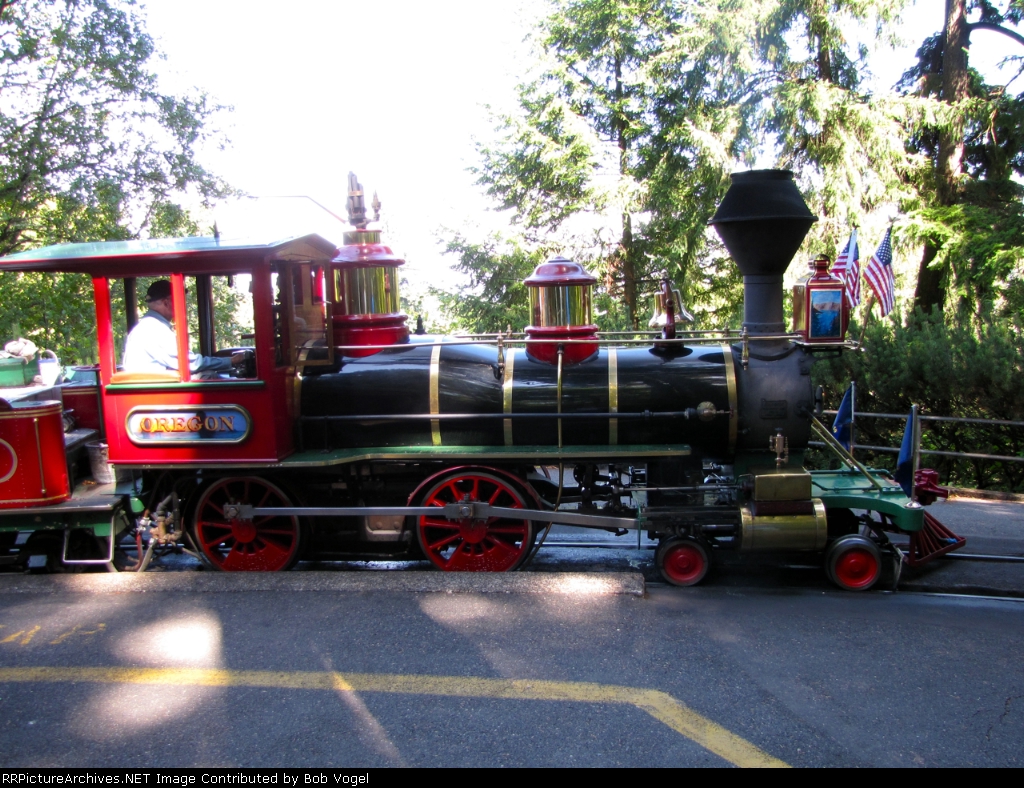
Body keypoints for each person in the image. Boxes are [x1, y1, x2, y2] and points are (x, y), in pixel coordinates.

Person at [122, 280, 235, 376]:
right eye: (178, 301)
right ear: (166, 303)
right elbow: (189, 363)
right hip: (154, 392)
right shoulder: (154, 328)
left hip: (152, 387)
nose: (182, 306)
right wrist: (231, 360)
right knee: (208, 377)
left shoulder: (149, 325)